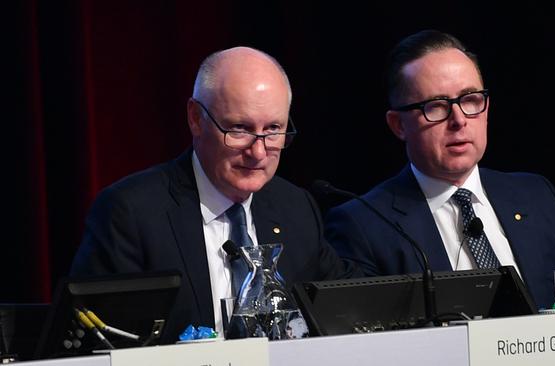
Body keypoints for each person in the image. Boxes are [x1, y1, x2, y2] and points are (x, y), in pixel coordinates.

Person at [70, 47, 358, 341]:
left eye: (273, 129)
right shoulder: (131, 214)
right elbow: (101, 340)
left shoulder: (296, 209)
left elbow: (342, 315)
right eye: (239, 129)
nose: (258, 152)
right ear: (196, 118)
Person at [324, 30, 555, 310]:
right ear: (398, 125)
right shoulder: (364, 226)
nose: (458, 120)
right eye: (435, 106)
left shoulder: (535, 196)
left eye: (470, 100)